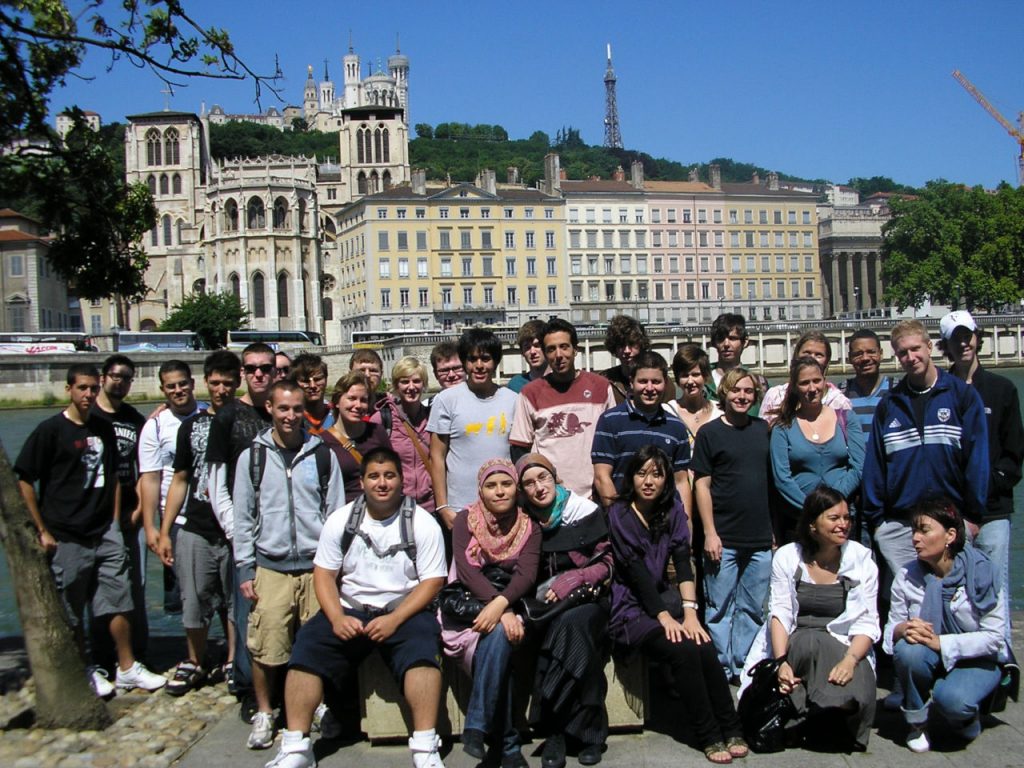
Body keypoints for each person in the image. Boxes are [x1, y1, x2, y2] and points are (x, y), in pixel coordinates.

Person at [265, 447, 448, 768]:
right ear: (362, 481)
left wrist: (395, 619)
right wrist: (335, 617)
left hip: (404, 611)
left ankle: (424, 745)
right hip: (350, 608)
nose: (382, 483)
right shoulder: (341, 519)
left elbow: (432, 581)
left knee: (422, 652)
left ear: (401, 480)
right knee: (307, 647)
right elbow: (323, 573)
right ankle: (296, 746)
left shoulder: (422, 522)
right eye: (374, 476)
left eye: (389, 476)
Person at [15, 363, 165, 696]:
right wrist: (42, 529)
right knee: (72, 606)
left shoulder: (104, 429)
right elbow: (25, 479)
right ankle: (86, 668)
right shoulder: (50, 431)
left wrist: (113, 520)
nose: (88, 395)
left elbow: (113, 476)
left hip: (104, 530)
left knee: (118, 600)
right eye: (82, 388)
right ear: (69, 389)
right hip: (66, 532)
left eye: (92, 389)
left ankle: (126, 667)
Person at [607, 446, 746, 765]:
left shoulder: (671, 508)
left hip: (660, 598)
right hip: (629, 607)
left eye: (657, 474)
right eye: (641, 473)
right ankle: (708, 733)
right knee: (682, 648)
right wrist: (666, 618)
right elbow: (636, 573)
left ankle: (732, 725)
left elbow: (683, 561)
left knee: (702, 641)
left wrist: (690, 612)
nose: (648, 481)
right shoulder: (620, 513)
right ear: (631, 476)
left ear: (667, 479)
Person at [233, 380, 344, 750]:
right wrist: (245, 568)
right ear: (270, 409)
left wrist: (336, 567)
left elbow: (335, 516)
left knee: (315, 644)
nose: (290, 416)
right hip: (271, 564)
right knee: (267, 645)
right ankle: (266, 711)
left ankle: (317, 705)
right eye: (283, 409)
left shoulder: (321, 455)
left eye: (297, 409)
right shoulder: (253, 456)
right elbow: (244, 517)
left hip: (316, 567)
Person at [745, 486, 879, 751]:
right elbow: (780, 612)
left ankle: (818, 718)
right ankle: (807, 716)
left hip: (845, 644)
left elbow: (867, 620)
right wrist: (781, 661)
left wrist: (850, 661)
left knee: (860, 693)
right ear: (812, 525)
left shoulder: (861, 560)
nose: (843, 524)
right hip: (797, 643)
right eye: (834, 518)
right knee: (807, 642)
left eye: (846, 518)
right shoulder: (788, 556)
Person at [861, 320, 989, 590]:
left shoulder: (961, 396)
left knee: (955, 597)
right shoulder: (890, 405)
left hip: (950, 520)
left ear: (930, 346)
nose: (910, 357)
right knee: (912, 601)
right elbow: (876, 465)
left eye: (915, 349)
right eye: (902, 353)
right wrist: (878, 522)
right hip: (900, 523)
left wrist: (972, 515)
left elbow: (977, 460)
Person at [883, 498, 1007, 753]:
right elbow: (890, 629)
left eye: (924, 530)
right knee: (908, 650)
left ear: (950, 535)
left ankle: (966, 720)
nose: (915, 538)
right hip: (928, 653)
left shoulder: (984, 573)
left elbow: (995, 637)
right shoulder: (907, 576)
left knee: (952, 701)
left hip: (978, 657)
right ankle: (917, 723)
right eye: (914, 530)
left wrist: (942, 642)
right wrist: (903, 629)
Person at [443, 459, 541, 768]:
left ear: (516, 487)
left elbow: (526, 576)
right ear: (480, 490)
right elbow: (467, 571)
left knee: (501, 640)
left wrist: (501, 608)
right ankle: (509, 746)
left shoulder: (529, 527)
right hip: (468, 611)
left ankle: (478, 727)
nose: (499, 492)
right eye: (491, 485)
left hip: (506, 610)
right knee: (501, 643)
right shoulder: (465, 520)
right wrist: (501, 609)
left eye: (506, 484)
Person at [516, 453, 612, 768]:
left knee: (570, 624)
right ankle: (582, 732)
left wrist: (577, 577)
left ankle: (556, 729)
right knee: (561, 629)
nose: (538, 488)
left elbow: (608, 561)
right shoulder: (522, 521)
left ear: (555, 478)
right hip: (542, 606)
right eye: (528, 483)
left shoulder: (583, 511)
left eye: (542, 478)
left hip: (587, 601)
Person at [939, 309, 1023, 661]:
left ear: (977, 338)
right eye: (956, 338)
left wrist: (991, 487)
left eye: (968, 335)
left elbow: (1014, 450)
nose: (964, 343)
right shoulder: (941, 391)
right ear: (946, 346)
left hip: (992, 509)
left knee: (995, 585)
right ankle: (961, 655)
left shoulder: (1002, 390)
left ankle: (1001, 657)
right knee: (952, 584)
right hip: (953, 511)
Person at [157, 350, 242, 695]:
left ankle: (235, 660)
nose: (221, 389)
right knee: (193, 597)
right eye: (215, 383)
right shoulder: (191, 425)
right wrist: (164, 531)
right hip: (196, 522)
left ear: (237, 383)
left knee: (235, 601)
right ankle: (195, 658)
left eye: (227, 383)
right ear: (205, 383)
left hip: (236, 527)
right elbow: (180, 478)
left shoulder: (248, 421)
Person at [691, 367, 773, 683]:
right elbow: (702, 485)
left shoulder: (763, 430)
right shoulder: (710, 433)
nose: (742, 397)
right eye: (736, 391)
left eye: (748, 392)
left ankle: (743, 666)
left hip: (760, 537)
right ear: (724, 393)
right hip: (723, 537)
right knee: (718, 608)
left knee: (753, 609)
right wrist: (710, 533)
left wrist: (774, 532)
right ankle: (720, 667)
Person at [207, 341, 276, 717]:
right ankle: (250, 686)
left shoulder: (285, 410)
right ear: (243, 375)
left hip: (283, 534)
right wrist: (237, 533)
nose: (260, 374)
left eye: (266, 367)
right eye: (252, 369)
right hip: (247, 535)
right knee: (248, 612)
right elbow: (216, 483)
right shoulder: (227, 417)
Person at [510, 318, 615, 499]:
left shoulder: (601, 387)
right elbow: (520, 450)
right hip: (551, 497)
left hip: (596, 495)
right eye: (551, 349)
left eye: (564, 347)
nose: (558, 355)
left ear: (575, 349)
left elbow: (613, 441)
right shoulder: (529, 394)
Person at [428, 328, 518, 531]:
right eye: (472, 359)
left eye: (485, 359)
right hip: (461, 508)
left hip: (504, 508)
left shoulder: (513, 400)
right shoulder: (446, 400)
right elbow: (437, 457)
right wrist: (443, 507)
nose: (479, 366)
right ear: (464, 362)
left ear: (495, 362)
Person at [769, 356, 865, 543]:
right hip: (799, 521)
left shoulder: (846, 418)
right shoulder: (782, 427)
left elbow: (858, 467)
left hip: (841, 520)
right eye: (804, 383)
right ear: (795, 387)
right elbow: (782, 477)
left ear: (825, 382)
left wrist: (831, 504)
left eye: (816, 381)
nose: (812, 389)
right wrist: (812, 509)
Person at [90, 354, 148, 660]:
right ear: (103, 377)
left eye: (127, 377)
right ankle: (102, 655)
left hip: (129, 513)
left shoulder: (135, 419)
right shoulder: (87, 418)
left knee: (134, 584)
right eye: (116, 376)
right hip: (93, 516)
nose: (121, 382)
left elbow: (144, 467)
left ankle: (135, 652)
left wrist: (138, 509)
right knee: (99, 588)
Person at [139, 360, 204, 615]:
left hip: (207, 516)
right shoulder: (155, 426)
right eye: (171, 386)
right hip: (175, 519)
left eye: (182, 384)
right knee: (183, 596)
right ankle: (193, 653)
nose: (178, 390)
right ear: (163, 390)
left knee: (214, 591)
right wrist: (150, 527)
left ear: (192, 384)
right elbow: (150, 478)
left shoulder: (208, 416)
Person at [591, 350, 690, 514]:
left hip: (664, 521)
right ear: (631, 382)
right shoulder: (610, 421)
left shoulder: (676, 427)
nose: (650, 388)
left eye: (656, 382)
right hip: (621, 522)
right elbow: (602, 477)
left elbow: (681, 481)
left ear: (665, 382)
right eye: (643, 381)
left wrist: (686, 524)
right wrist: (622, 520)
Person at [369, 356, 434, 513]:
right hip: (397, 506)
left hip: (430, 506)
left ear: (424, 384)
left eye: (416, 381)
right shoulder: (383, 419)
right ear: (396, 385)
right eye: (405, 382)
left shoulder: (433, 417)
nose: (411, 387)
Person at [323, 371, 394, 502]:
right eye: (352, 398)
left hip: (379, 511)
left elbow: (392, 472)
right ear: (337, 401)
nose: (358, 405)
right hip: (344, 514)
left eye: (363, 400)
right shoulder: (323, 441)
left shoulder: (377, 432)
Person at [760, 331, 851, 425]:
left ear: (827, 362)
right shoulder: (775, 396)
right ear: (796, 356)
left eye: (818, 355)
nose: (812, 358)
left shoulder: (839, 402)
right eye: (806, 353)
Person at [707, 313, 768, 416]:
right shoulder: (702, 380)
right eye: (721, 339)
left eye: (733, 338)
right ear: (714, 343)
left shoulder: (759, 384)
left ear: (745, 342)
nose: (726, 344)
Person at [839, 329, 893, 436]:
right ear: (850, 358)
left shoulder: (897, 390)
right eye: (858, 354)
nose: (865, 358)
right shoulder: (840, 394)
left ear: (881, 354)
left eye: (871, 352)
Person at [671, 344, 723, 445]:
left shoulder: (720, 412)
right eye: (685, 376)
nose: (690, 381)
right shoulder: (668, 411)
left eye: (696, 375)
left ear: (705, 376)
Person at [600, 314, 649, 405]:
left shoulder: (659, 380)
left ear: (641, 345)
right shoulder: (604, 380)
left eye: (632, 344)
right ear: (614, 348)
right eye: (621, 345)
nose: (627, 351)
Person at [290, 353, 334, 434]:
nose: (313, 386)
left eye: (318, 379)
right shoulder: (290, 420)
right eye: (305, 381)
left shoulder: (338, 416)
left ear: (326, 379)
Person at [507, 319, 548, 393]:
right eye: (527, 347)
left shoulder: (561, 381)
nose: (532, 352)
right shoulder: (515, 385)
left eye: (537, 345)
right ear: (522, 352)